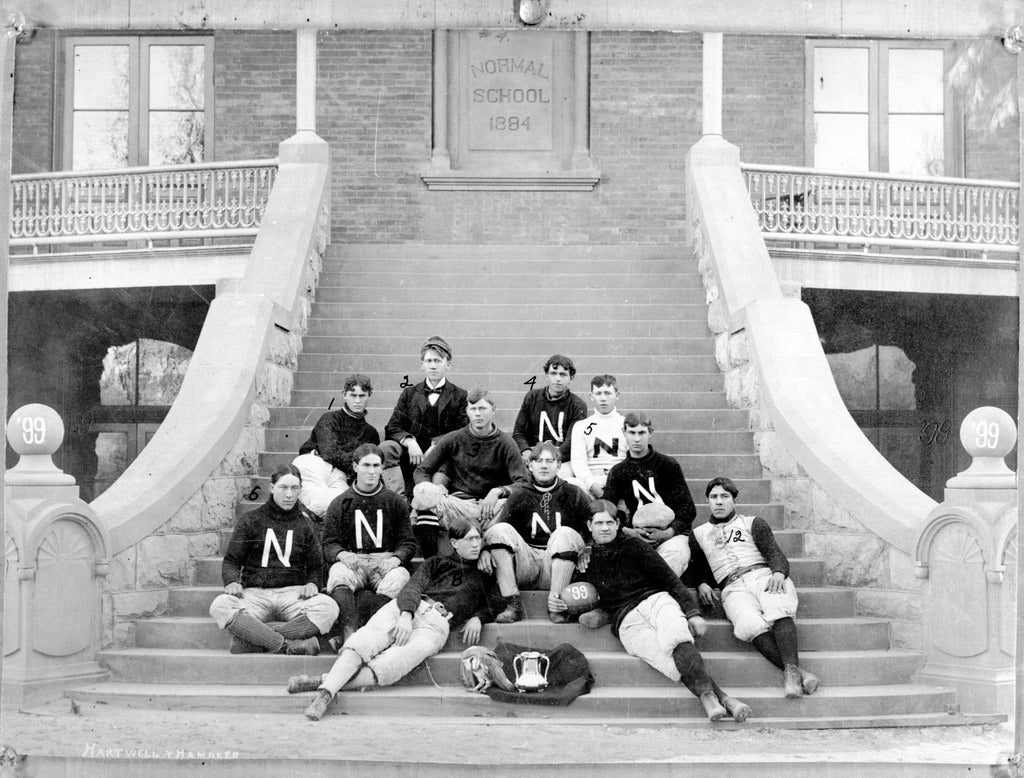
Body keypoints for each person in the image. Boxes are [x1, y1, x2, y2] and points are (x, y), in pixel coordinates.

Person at [287, 516, 504, 721]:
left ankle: (323, 684)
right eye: (470, 539)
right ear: (455, 543)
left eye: (479, 538)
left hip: (436, 626)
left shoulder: (485, 573)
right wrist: (406, 615)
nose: (476, 544)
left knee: (390, 666)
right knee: (362, 644)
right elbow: (413, 587)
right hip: (406, 607)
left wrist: (478, 617)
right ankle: (324, 696)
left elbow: (497, 603)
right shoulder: (436, 562)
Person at [574, 500, 751, 722]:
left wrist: (692, 612)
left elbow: (669, 579)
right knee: (668, 663)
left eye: (610, 522)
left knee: (677, 637)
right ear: (589, 525)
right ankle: (724, 699)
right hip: (627, 621)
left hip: (655, 600)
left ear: (618, 524)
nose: (605, 528)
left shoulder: (633, 545)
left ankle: (709, 700)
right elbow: (579, 596)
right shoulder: (586, 559)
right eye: (599, 523)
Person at [689, 477, 819, 698]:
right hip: (732, 587)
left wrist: (778, 572)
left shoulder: (752, 523)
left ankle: (791, 677)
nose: (718, 502)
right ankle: (802, 674)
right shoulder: (699, 534)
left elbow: (774, 553)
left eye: (724, 496)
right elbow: (700, 568)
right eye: (713, 497)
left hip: (762, 575)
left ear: (734, 500)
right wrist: (701, 582)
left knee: (778, 606)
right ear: (707, 502)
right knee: (748, 624)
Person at [208, 465, 339, 654]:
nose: (289, 494)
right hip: (255, 594)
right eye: (283, 487)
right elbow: (232, 560)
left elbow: (316, 566)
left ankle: (252, 640)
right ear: (271, 488)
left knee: (329, 607)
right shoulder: (251, 520)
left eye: (295, 488)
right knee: (220, 605)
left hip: (293, 595)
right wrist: (232, 581)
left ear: (300, 490)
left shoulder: (306, 525)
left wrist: (312, 583)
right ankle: (286, 645)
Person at [479, 442, 591, 623]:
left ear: (559, 465)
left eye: (549, 461)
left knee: (564, 533)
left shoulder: (574, 493)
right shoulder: (520, 494)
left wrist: (587, 549)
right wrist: (484, 550)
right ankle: (512, 603)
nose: (544, 465)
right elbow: (499, 531)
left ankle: (556, 604)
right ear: (530, 466)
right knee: (498, 530)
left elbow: (592, 526)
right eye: (538, 461)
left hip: (557, 565)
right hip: (527, 563)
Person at [411, 388, 529, 557]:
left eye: (482, 409)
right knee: (427, 500)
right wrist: (433, 489)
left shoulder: (506, 443)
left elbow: (523, 482)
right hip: (459, 505)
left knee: (518, 504)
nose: (477, 414)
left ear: (493, 410)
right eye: (473, 409)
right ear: (467, 411)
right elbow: (422, 470)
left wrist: (497, 491)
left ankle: (491, 553)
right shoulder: (454, 438)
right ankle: (432, 564)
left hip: (491, 508)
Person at [321, 443, 418, 643]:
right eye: (366, 465)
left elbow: (407, 542)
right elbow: (328, 543)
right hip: (354, 562)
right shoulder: (340, 502)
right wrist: (342, 554)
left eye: (376, 466)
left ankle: (369, 629)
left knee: (400, 577)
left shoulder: (395, 501)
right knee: (338, 573)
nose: (372, 471)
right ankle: (349, 630)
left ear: (383, 467)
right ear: (355, 467)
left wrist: (396, 559)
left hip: (384, 562)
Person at [380, 336, 468, 550]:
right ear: (422, 365)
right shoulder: (410, 393)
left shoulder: (460, 395)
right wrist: (409, 442)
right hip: (411, 457)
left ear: (448, 364)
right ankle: (400, 501)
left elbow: (463, 430)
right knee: (386, 448)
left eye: (438, 361)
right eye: (429, 361)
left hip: (444, 459)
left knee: (447, 461)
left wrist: (438, 444)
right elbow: (392, 426)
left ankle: (421, 508)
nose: (433, 366)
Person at [602, 412, 695, 576]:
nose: (636, 439)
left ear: (650, 433)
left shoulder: (667, 465)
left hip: (669, 535)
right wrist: (628, 531)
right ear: (624, 433)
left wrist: (668, 532)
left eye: (641, 433)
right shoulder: (618, 472)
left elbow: (687, 508)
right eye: (632, 433)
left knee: (676, 555)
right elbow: (607, 511)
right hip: (636, 535)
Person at [292, 374, 381, 516]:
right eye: (353, 395)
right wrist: (356, 465)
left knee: (345, 507)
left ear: (369, 395)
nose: (357, 400)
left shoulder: (371, 433)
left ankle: (309, 515)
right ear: (344, 395)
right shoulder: (330, 418)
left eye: (362, 395)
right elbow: (329, 452)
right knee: (320, 503)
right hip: (315, 464)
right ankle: (305, 514)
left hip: (340, 475)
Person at [512, 354, 588, 465]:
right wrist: (527, 452)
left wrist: (549, 460)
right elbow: (518, 432)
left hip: (562, 460)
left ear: (571, 378)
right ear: (547, 376)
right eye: (553, 373)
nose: (557, 379)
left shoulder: (577, 405)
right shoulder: (532, 397)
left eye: (563, 375)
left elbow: (571, 442)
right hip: (533, 456)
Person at [561, 375, 626, 499]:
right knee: (569, 483)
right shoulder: (581, 426)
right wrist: (592, 484)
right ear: (591, 396)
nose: (603, 398)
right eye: (598, 393)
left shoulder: (625, 424)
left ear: (617, 395)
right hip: (591, 483)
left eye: (607, 393)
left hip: (619, 483)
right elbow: (578, 461)